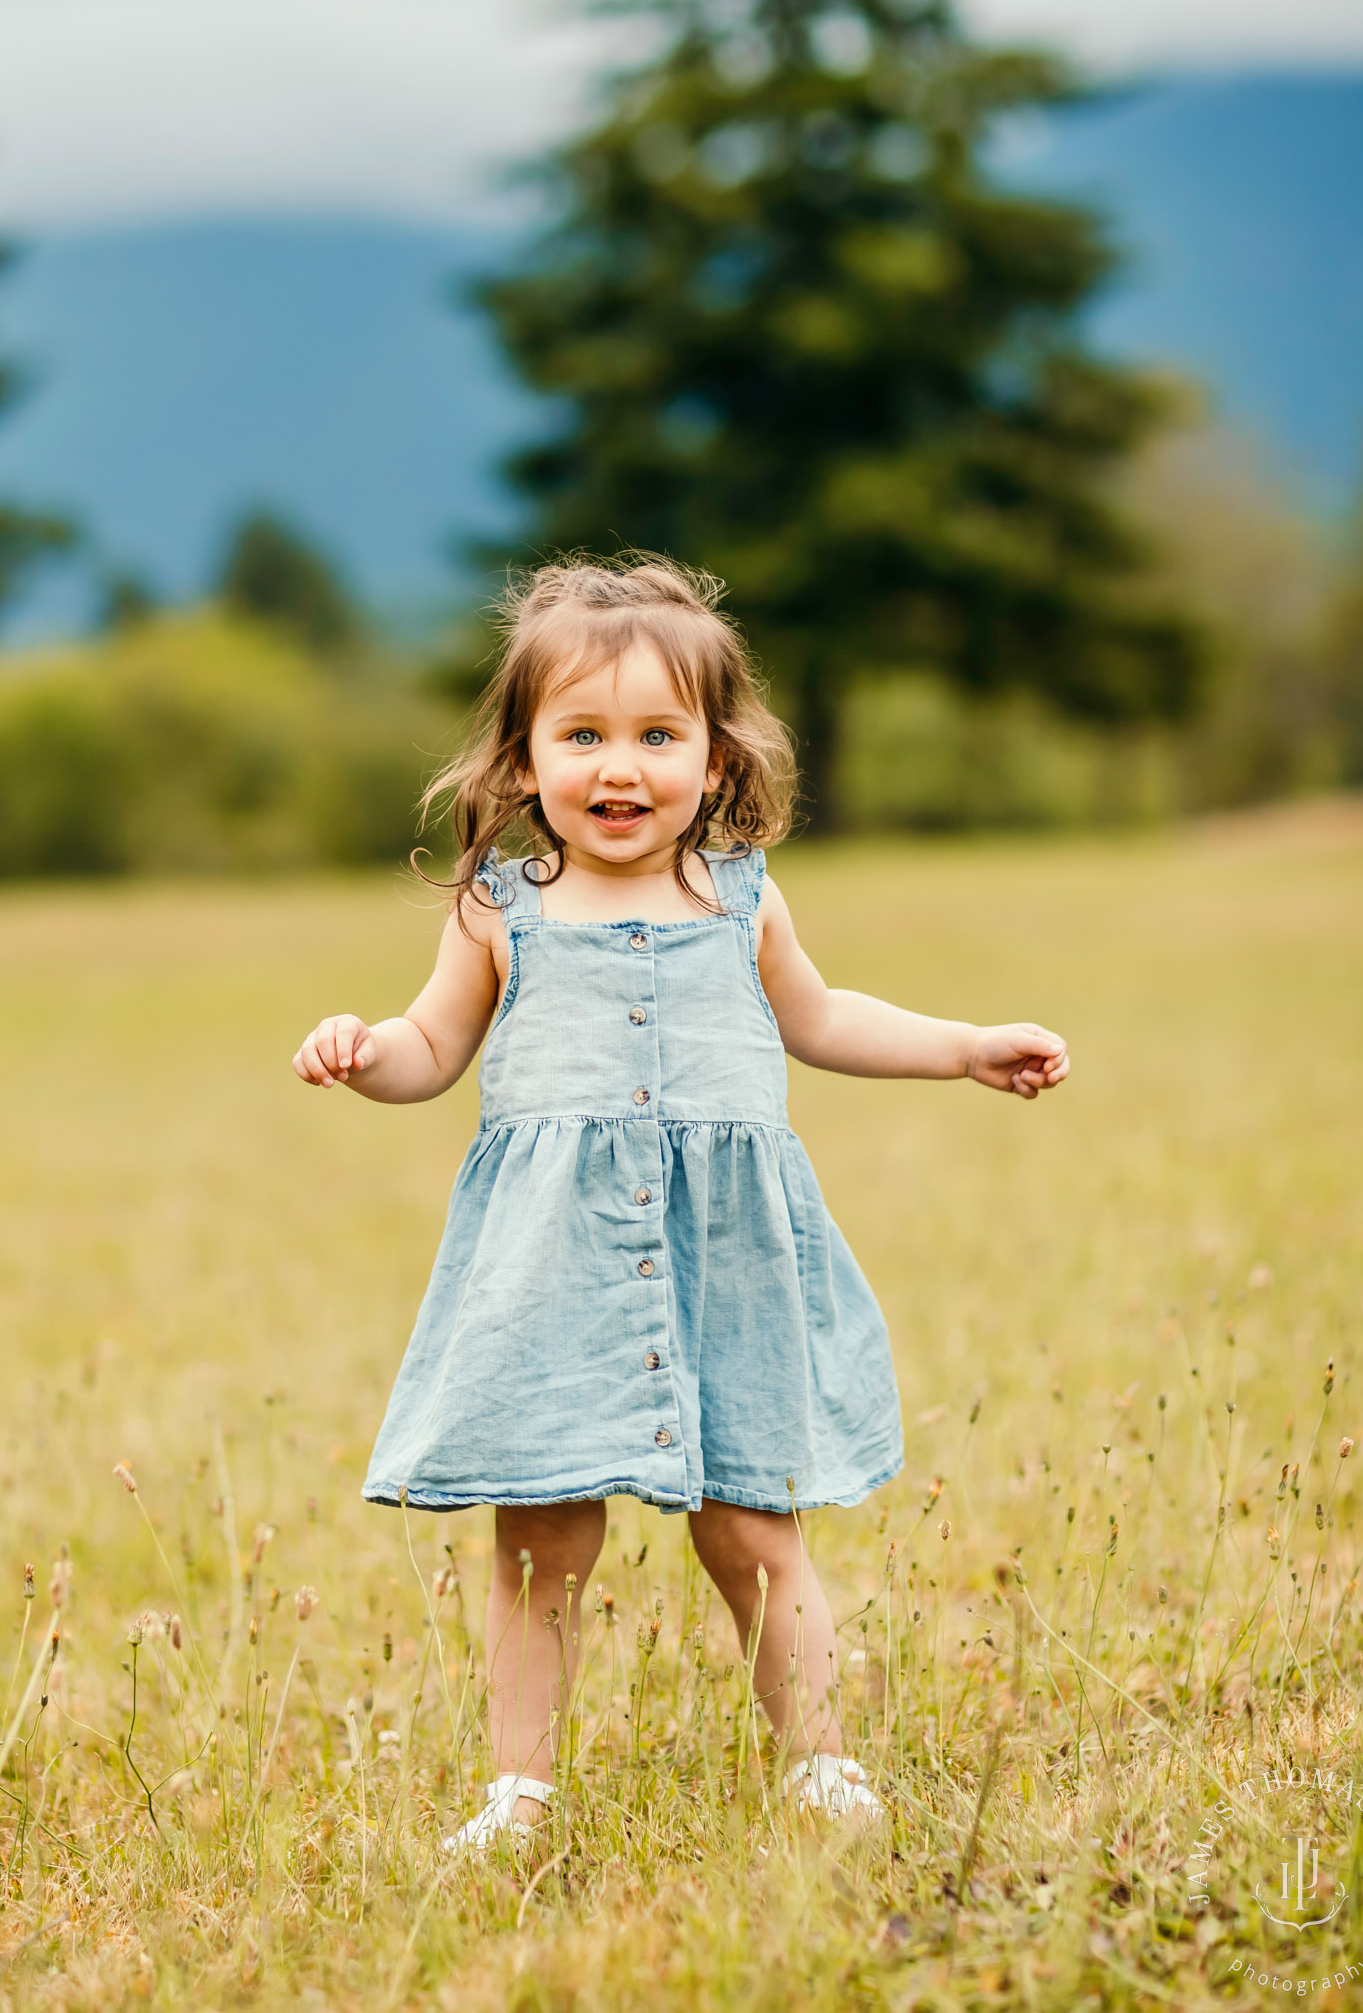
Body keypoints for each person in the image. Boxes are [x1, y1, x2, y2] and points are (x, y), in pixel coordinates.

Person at [292, 558, 1068, 1850]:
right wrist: (366, 1053)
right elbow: (431, 1050)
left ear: (716, 761)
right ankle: (520, 1791)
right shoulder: (501, 912)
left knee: (756, 1525)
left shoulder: (740, 895)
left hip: (730, 1257)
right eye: (583, 734)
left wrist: (965, 1041)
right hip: (554, 1267)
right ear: (523, 758)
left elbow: (821, 1018)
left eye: (659, 734)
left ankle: (820, 1764)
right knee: (540, 1535)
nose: (621, 766)